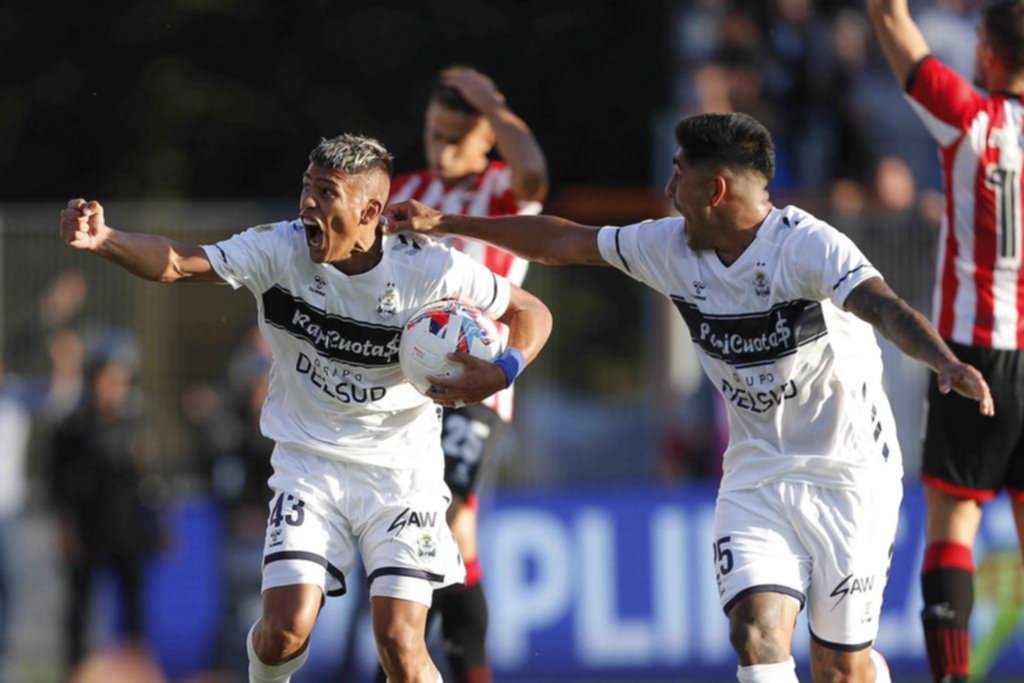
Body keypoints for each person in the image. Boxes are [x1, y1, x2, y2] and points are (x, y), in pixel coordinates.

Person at [386, 112, 995, 683]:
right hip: (757, 475)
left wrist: (943, 361)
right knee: (755, 630)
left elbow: (881, 305)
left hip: (850, 475)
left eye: (681, 170)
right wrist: (448, 223)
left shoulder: (807, 246)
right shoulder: (668, 247)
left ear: (717, 189)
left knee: (841, 668)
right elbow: (562, 241)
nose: (670, 184)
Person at [59, 133, 552, 683]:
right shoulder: (280, 249)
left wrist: (504, 369)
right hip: (308, 469)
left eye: (326, 192)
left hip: (402, 478)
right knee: (283, 631)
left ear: (369, 209)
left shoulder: (430, 270)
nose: (307, 205)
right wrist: (105, 239)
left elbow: (532, 309)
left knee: (400, 645)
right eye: (305, 188)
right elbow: (179, 263)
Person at [868, 2, 1024, 681]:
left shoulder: (969, 117)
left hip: (972, 354)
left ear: (985, 48)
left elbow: (890, 21)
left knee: (952, 525)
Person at [383, 65, 548, 683]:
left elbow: (536, 174)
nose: (444, 147)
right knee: (432, 538)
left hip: (476, 384)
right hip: (407, 387)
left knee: (444, 518)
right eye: (435, 134)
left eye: (459, 136)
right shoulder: (407, 188)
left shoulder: (503, 190)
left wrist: (494, 103)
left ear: (487, 141)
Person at [50, 341, 161, 670]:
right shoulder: (75, 425)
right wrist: (67, 527)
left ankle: (134, 671)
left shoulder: (136, 423)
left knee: (133, 610)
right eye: (108, 380)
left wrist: (159, 524)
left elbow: (151, 480)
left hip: (128, 530)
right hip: (88, 528)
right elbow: (59, 482)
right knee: (80, 611)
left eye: (121, 381)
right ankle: (76, 671)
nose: (114, 389)